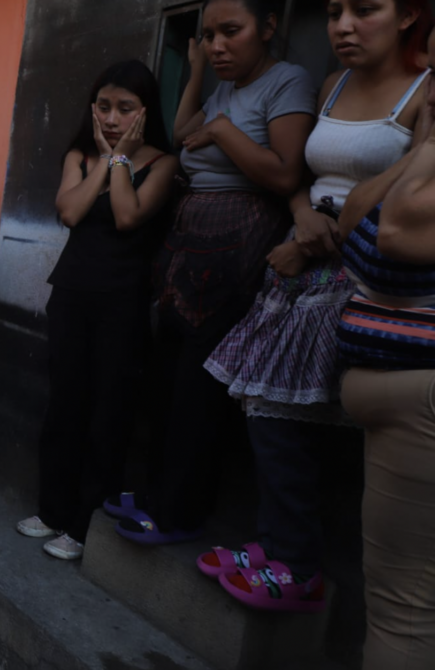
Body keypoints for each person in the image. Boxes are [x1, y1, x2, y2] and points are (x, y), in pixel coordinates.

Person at [198, 0, 432, 612]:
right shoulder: (333, 83)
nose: (344, 26)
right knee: (263, 409)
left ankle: (299, 564)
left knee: (295, 416)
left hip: (364, 277)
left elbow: (413, 189)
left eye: (365, 10)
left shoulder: (425, 92)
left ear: (409, 16)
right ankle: (275, 543)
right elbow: (302, 175)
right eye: (334, 12)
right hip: (299, 263)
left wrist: (322, 230)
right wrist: (302, 216)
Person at [108, 0, 317, 544]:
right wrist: (198, 69)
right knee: (165, 376)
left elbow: (285, 171)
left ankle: (178, 512)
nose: (220, 45)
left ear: (269, 26)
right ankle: (154, 492)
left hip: (238, 244)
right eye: (209, 35)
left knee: (199, 384)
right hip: (190, 244)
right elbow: (182, 132)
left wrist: (223, 133)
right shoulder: (224, 84)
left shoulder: (287, 82)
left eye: (232, 31)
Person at [12, 61, 179, 561]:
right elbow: (69, 212)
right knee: (64, 403)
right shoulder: (81, 156)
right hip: (72, 295)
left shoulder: (163, 164)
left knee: (108, 412)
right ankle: (52, 510)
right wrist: (106, 162)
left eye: (125, 109)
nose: (111, 118)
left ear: (145, 112)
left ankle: (83, 527)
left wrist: (123, 160)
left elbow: (127, 216)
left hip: (123, 302)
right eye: (103, 107)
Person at [338, 28, 435, 665]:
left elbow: (394, 230)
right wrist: (421, 145)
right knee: (399, 601)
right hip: (396, 398)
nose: (426, 66)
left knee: (404, 615)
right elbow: (352, 218)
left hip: (422, 399)